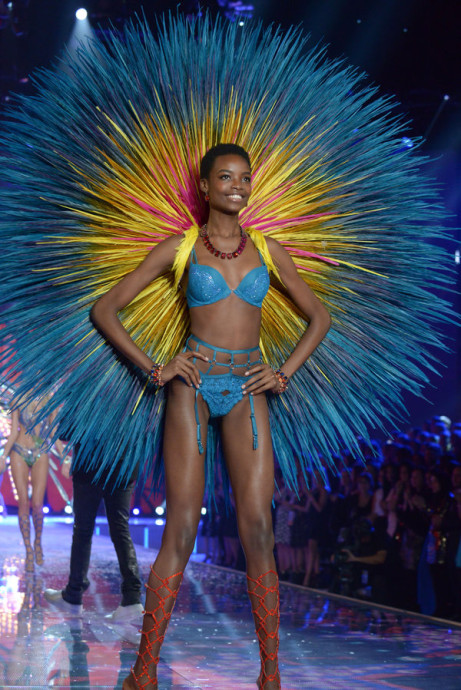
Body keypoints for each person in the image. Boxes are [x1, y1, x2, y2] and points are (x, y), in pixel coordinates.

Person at [90, 143, 331, 690]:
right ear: (204, 185)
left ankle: (271, 675)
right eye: (225, 177)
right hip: (192, 391)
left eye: (245, 178)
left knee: (259, 527)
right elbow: (105, 308)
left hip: (249, 387)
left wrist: (284, 372)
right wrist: (156, 368)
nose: (238, 187)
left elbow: (320, 316)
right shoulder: (180, 248)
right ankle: (143, 672)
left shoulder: (268, 251)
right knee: (181, 525)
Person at [43, 444, 143, 621]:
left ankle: (74, 593)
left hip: (91, 460)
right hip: (124, 461)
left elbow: (67, 431)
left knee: (83, 529)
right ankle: (132, 596)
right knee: (120, 528)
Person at [0, 393, 61, 572]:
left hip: (40, 451)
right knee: (23, 504)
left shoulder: (50, 399)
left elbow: (53, 433)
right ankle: (28, 550)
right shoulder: (18, 398)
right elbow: (13, 433)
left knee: (37, 504)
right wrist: (3, 456)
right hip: (18, 450)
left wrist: (65, 458)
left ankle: (38, 542)